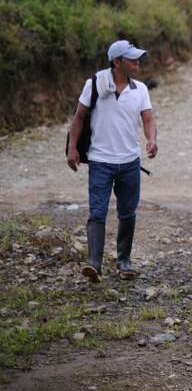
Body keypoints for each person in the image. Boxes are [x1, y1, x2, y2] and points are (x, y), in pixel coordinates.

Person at [66, 40, 158, 283]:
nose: (138, 62)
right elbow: (79, 117)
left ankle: (124, 260)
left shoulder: (140, 90)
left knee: (127, 213)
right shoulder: (95, 84)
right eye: (132, 59)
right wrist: (72, 148)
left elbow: (148, 119)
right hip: (100, 161)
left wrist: (151, 140)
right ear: (117, 62)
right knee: (97, 212)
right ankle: (94, 263)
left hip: (129, 162)